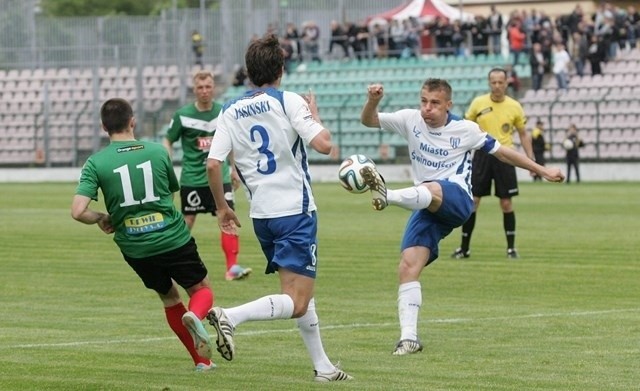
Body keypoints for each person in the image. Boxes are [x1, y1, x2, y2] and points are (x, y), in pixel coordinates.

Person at [359, 79, 564, 355]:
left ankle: (389, 195)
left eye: (434, 103)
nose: (427, 108)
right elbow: (369, 121)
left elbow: (503, 153)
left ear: (448, 105)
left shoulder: (465, 130)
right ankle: (409, 339)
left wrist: (541, 170)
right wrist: (373, 100)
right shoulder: (410, 120)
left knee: (430, 188)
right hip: (426, 206)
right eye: (424, 101)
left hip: (456, 199)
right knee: (408, 266)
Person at [205, 33, 353, 382]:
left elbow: (213, 165)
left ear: (249, 72)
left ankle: (324, 367)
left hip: (261, 217)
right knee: (297, 300)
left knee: (300, 288)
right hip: (295, 211)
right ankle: (231, 315)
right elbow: (323, 145)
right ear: (281, 70)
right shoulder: (288, 101)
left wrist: (224, 208)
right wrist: (315, 118)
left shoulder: (229, 109)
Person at [71, 98, 216, 372]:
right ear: (132, 121)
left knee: (170, 298)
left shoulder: (96, 163)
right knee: (202, 289)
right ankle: (195, 316)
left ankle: (203, 362)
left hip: (135, 247)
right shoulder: (157, 151)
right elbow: (171, 191)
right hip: (172, 237)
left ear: (104, 127)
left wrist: (102, 217)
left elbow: (78, 211)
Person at [164, 70, 252, 282]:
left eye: (208, 87)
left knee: (228, 216)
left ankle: (232, 268)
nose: (204, 91)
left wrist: (234, 168)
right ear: (194, 90)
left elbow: (230, 143)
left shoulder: (224, 113)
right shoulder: (183, 115)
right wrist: (166, 163)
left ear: (214, 88)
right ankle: (172, 263)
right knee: (188, 220)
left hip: (220, 178)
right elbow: (168, 140)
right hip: (193, 178)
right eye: (200, 88)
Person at [452, 68, 535, 260]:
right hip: (482, 155)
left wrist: (531, 159)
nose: (497, 86)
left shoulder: (514, 106)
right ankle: (464, 248)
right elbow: (464, 129)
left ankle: (511, 249)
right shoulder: (478, 103)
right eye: (493, 82)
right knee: (473, 202)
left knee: (506, 203)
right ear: (489, 83)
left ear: (507, 83)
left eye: (500, 82)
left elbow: (523, 133)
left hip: (505, 155)